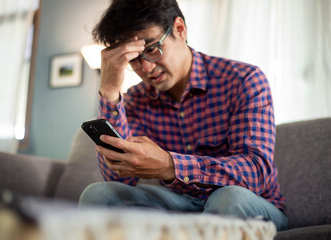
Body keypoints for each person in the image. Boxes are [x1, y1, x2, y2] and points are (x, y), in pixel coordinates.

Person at [79, 0, 288, 231]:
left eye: (150, 49)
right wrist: (109, 91)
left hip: (251, 203)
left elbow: (255, 173)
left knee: (228, 199)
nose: (145, 69)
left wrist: (172, 166)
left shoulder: (243, 79)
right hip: (179, 204)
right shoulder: (137, 98)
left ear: (179, 29)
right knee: (98, 195)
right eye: (133, 58)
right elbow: (120, 180)